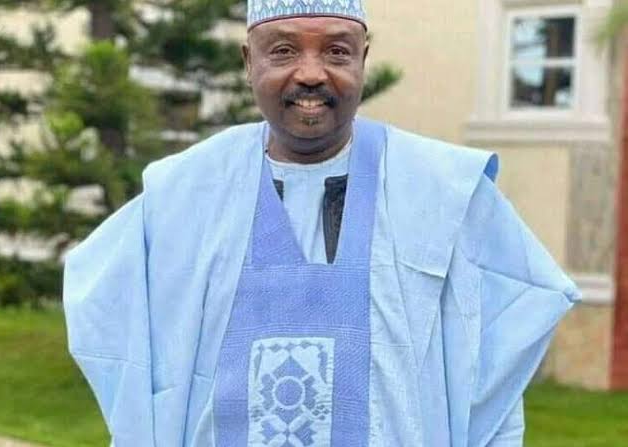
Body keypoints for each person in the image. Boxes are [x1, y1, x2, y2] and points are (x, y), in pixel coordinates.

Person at [63, 1, 580, 446]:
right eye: (283, 50)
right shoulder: (183, 193)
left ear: (363, 61)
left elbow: (501, 348)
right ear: (248, 61)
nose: (311, 73)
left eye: (336, 51)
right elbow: (110, 324)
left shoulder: (442, 192)